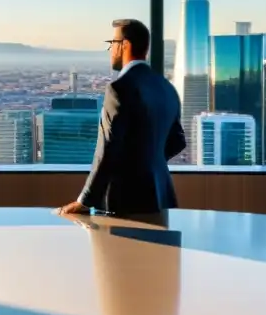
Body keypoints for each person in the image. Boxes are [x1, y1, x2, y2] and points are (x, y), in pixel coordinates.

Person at [57, 19, 185, 216]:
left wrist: (85, 201)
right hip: (161, 196)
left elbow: (108, 148)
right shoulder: (166, 87)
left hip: (123, 201)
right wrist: (148, 161)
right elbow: (178, 141)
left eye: (112, 43)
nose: (111, 50)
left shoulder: (119, 88)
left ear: (125, 45)